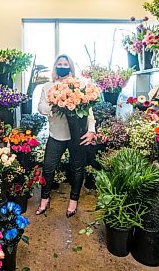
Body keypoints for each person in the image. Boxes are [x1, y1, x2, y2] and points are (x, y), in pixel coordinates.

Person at [37, 54, 96, 217]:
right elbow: (41, 107)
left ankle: (73, 200)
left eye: (65, 64)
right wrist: (54, 106)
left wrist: (91, 130)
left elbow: (89, 112)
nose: (62, 66)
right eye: (59, 64)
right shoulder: (48, 86)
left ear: (70, 67)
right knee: (48, 168)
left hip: (77, 136)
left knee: (77, 169)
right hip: (56, 135)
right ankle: (44, 199)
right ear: (55, 67)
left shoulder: (80, 86)